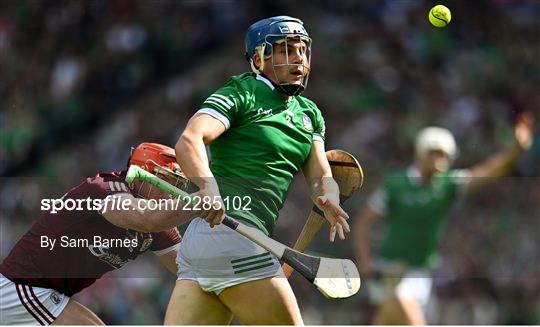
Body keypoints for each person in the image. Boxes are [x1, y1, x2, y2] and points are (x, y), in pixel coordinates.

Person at [165, 16, 349, 325]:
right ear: (259, 58)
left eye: (302, 50)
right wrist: (207, 187)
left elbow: (320, 177)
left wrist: (328, 197)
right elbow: (189, 140)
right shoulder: (241, 93)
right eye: (285, 50)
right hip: (230, 235)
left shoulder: (309, 114)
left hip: (215, 246)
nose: (298, 58)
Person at [354, 113, 535, 325]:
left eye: (445, 155)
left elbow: (488, 172)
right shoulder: (396, 185)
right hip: (390, 269)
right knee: (411, 317)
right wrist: (365, 259)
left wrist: (516, 151)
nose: (440, 159)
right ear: (421, 153)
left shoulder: (447, 185)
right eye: (435, 153)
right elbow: (364, 222)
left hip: (420, 271)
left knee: (389, 322)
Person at [0, 142, 200, 325]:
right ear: (142, 174)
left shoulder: (157, 223)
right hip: (20, 287)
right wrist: (199, 203)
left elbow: (190, 268)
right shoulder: (104, 189)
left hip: (47, 295)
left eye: (177, 185)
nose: (172, 192)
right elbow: (147, 219)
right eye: (168, 181)